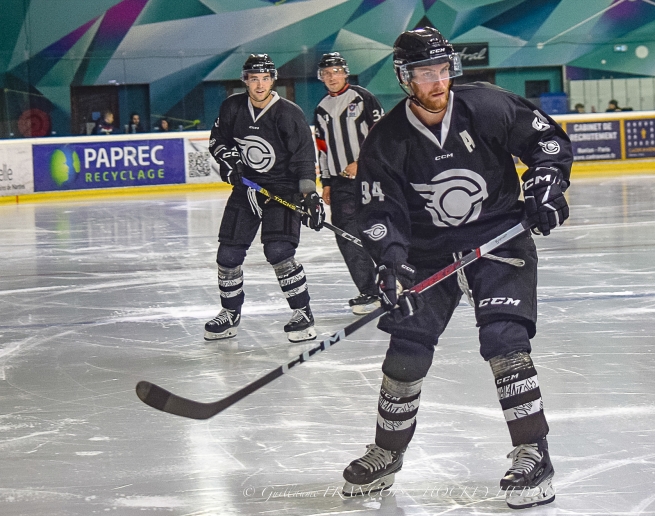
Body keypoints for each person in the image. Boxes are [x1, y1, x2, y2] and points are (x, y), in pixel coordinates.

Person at [341, 27, 572, 509]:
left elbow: (546, 142)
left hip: (498, 237)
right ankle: (387, 453)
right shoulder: (387, 139)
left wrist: (547, 184)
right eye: (425, 73)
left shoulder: (487, 105)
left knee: (505, 341)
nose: (437, 81)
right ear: (405, 79)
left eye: (443, 69)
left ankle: (533, 452)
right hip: (429, 253)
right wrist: (390, 263)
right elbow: (381, 211)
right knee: (406, 351)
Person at [205, 54, 325, 343]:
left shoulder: (289, 113)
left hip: (282, 190)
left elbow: (304, 159)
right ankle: (230, 313)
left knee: (279, 252)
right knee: (228, 255)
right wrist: (229, 160)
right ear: (245, 80)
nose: (259, 85)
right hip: (247, 188)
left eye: (265, 78)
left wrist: (309, 196)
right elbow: (217, 140)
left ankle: (302, 313)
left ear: (273, 80)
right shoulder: (232, 107)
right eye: (254, 78)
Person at [314, 52, 385, 315]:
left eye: (335, 71)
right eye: (326, 73)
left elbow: (381, 134)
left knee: (379, 231)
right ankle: (368, 291)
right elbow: (322, 148)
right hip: (341, 185)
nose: (331, 77)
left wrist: (361, 162)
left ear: (345, 73)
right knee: (347, 237)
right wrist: (327, 182)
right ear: (321, 77)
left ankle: (394, 282)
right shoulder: (321, 108)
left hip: (372, 178)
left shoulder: (363, 98)